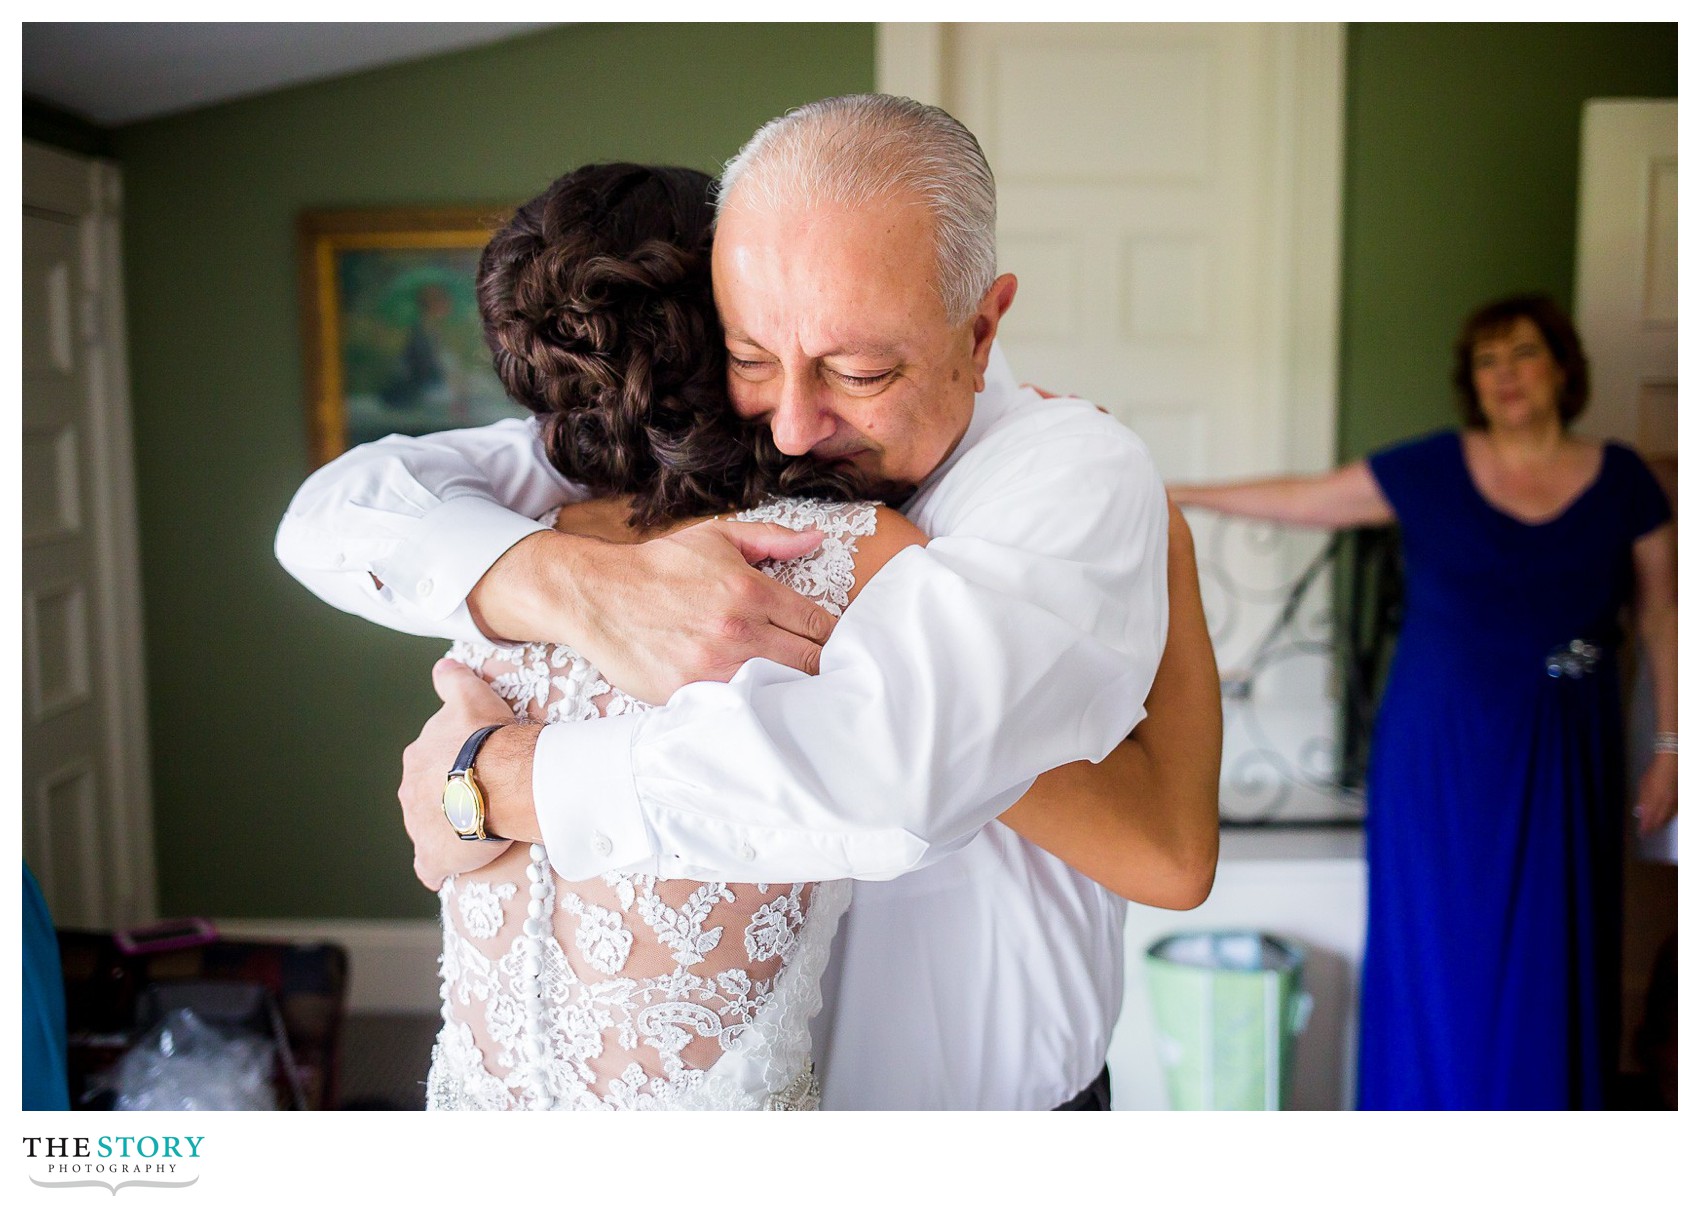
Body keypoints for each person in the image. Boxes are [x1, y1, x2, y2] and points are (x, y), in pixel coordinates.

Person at [277, 95, 1221, 1110]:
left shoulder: (1061, 474)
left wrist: (505, 781)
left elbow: (899, 775)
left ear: (981, 329)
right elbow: (337, 515)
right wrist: (583, 586)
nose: (796, 428)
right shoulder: (692, 444)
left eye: (861, 371)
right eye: (751, 357)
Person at [1170, 293, 1677, 1110]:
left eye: (1523, 354)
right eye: (1486, 361)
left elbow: (1662, 611)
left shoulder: (1625, 481)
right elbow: (1307, 499)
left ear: (1562, 368)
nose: (1504, 375)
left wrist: (1670, 748)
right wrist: (1176, 490)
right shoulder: (1434, 469)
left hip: (1565, 750)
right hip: (1440, 752)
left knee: (1555, 949)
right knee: (1443, 949)